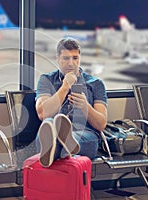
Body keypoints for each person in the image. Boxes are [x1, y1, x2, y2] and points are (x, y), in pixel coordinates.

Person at [35, 37, 108, 167]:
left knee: (83, 139)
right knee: (49, 123)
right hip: (51, 132)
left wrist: (86, 107)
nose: (71, 63)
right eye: (66, 58)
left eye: (75, 58)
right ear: (57, 58)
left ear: (80, 58)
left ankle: (57, 147)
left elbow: (101, 124)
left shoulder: (95, 84)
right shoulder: (47, 80)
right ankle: (63, 144)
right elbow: (42, 113)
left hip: (83, 133)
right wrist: (65, 87)